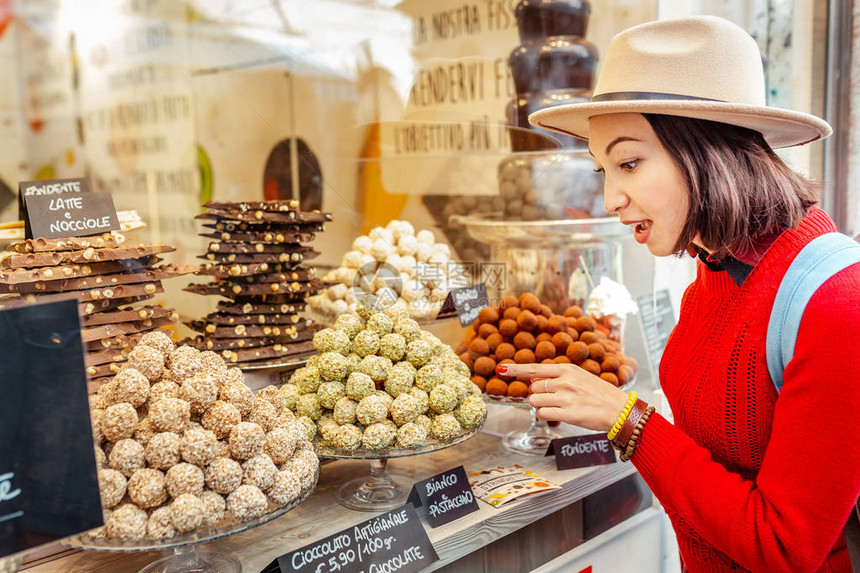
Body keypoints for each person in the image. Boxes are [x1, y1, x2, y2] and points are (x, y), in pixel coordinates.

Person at [498, 15, 860, 573]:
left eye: (630, 162)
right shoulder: (715, 267)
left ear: (705, 150)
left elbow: (784, 547)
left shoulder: (836, 303)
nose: (610, 198)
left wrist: (630, 422)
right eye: (603, 170)